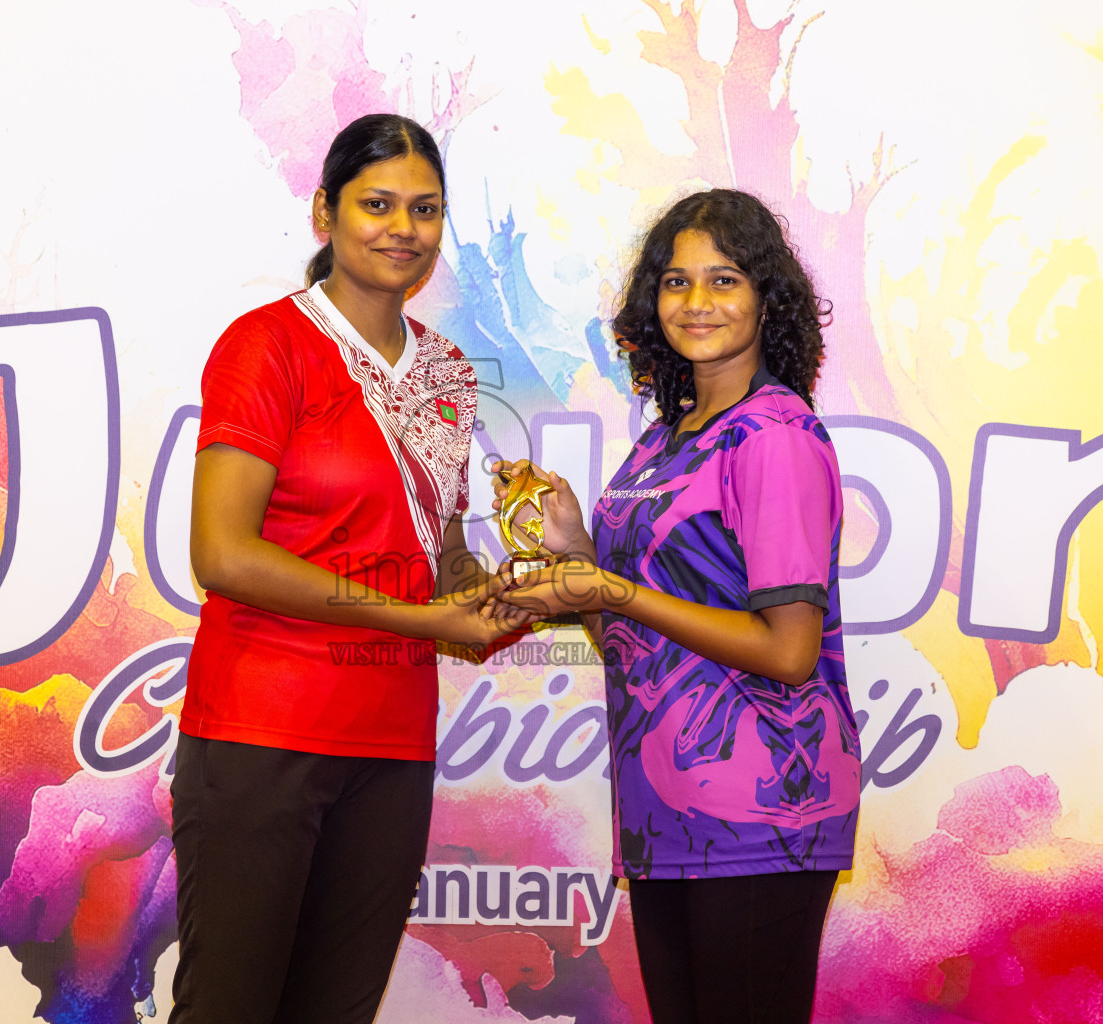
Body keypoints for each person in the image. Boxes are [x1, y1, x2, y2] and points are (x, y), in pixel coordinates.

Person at [175, 113, 522, 1024]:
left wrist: (514, 586)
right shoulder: (267, 345)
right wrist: (424, 621)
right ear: (325, 212)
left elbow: (435, 558)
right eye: (378, 204)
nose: (403, 228)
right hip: (261, 735)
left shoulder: (447, 374)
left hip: (392, 746)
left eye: (425, 210)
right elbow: (222, 554)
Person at [493, 189, 861, 1024]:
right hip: (664, 815)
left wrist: (615, 587)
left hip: (763, 809)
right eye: (676, 282)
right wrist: (579, 556)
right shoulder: (668, 436)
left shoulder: (774, 437)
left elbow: (789, 650)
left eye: (724, 280)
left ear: (769, 299)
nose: (697, 303)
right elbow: (631, 635)